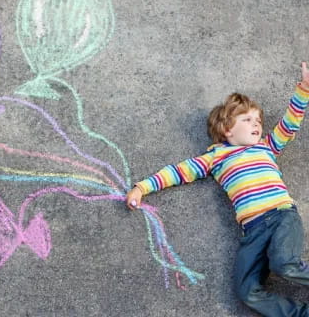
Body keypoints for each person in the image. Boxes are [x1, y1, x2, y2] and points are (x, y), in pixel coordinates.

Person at [126, 62, 309, 316]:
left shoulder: (266, 147)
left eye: (258, 120)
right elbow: (178, 172)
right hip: (253, 231)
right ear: (226, 129)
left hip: (281, 217)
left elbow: (289, 124)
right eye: (247, 119)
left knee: (284, 264)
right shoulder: (214, 158)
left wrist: (304, 89)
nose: (256, 124)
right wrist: (141, 188)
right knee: (246, 290)